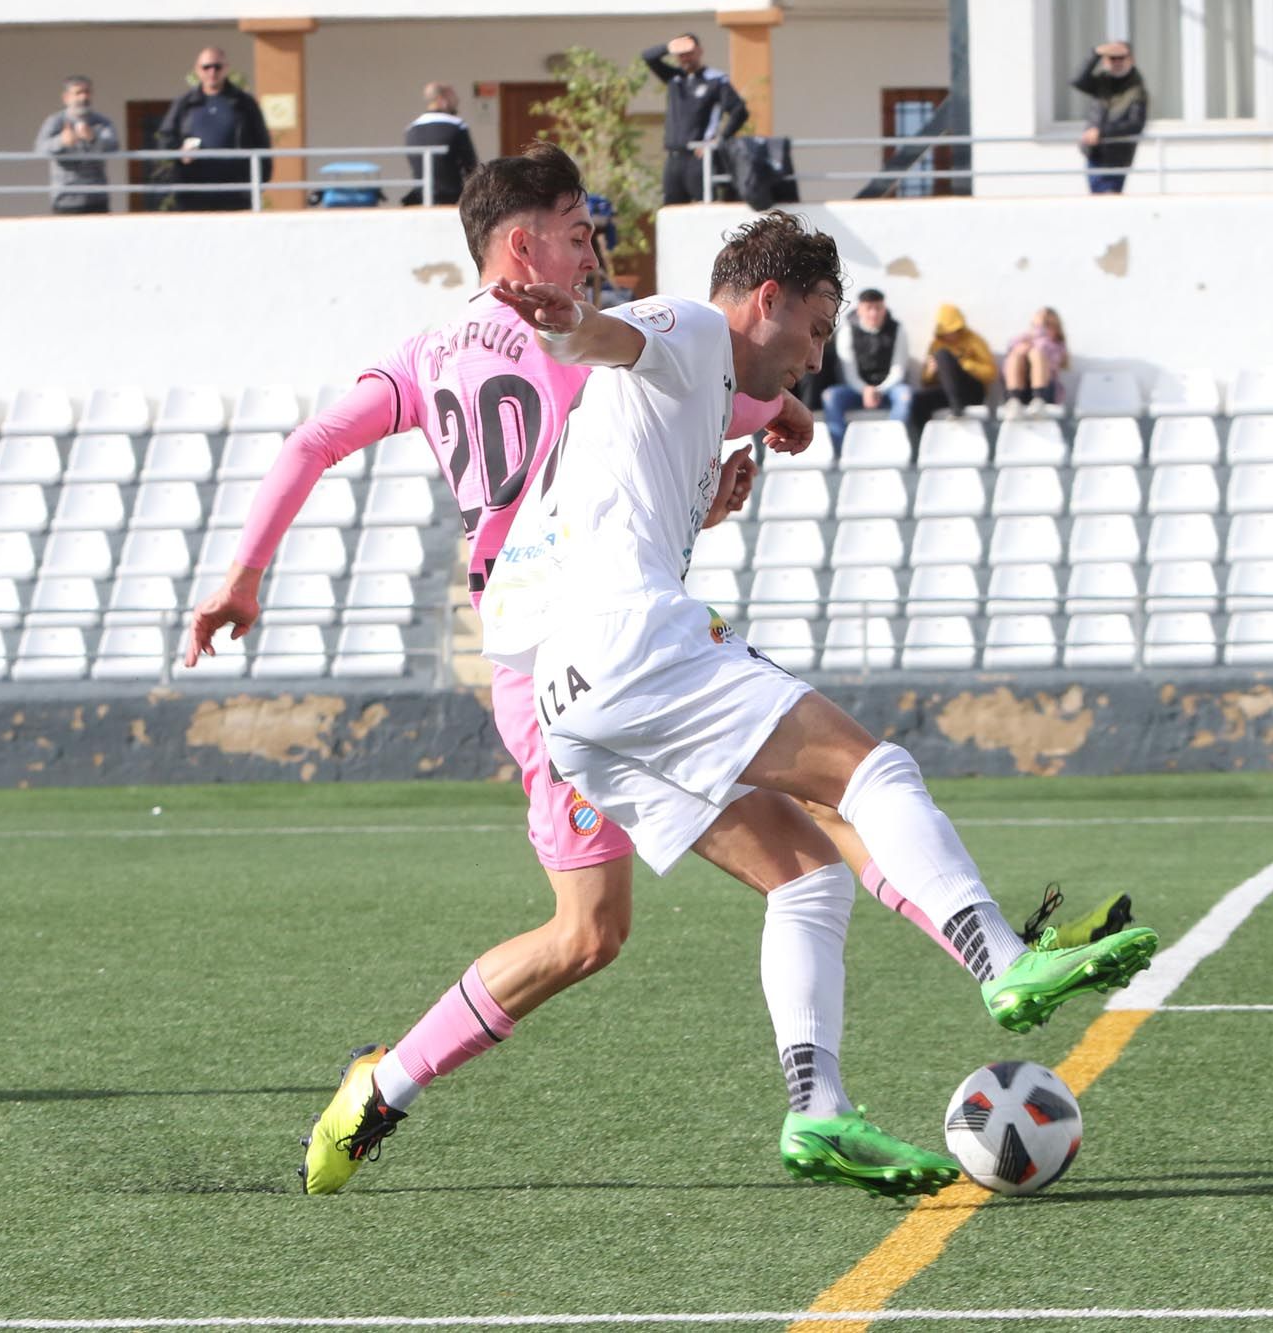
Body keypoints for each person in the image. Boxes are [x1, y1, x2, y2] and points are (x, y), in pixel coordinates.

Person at [182, 146, 962, 1197]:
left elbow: (314, 442)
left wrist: (242, 576)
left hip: (530, 660)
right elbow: (664, 395)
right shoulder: (565, 336)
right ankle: (984, 959)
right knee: (807, 806)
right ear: (520, 245)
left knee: (593, 929)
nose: (594, 245)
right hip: (585, 652)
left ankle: (382, 1087)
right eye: (577, 227)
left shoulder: (420, 355)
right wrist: (767, 411)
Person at [482, 211, 1160, 1195]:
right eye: (813, 327)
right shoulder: (693, 327)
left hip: (572, 702)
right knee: (871, 772)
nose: (816, 351)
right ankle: (1000, 959)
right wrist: (568, 319)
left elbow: (641, 419)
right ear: (768, 299)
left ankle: (817, 1110)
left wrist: (728, 467)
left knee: (806, 878)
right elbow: (607, 335)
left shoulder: (702, 387)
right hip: (632, 643)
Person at [155, 47, 271, 212]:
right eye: (206, 67)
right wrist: (180, 153)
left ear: (226, 68)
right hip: (193, 193)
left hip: (235, 194)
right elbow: (165, 139)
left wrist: (257, 185)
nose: (212, 72)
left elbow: (262, 144)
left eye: (217, 66)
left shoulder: (244, 103)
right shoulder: (185, 104)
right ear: (197, 70)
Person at [642, 33, 747, 206]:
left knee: (705, 206)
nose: (685, 58)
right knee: (672, 210)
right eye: (681, 54)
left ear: (699, 51)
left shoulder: (715, 80)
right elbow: (648, 57)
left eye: (689, 52)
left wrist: (718, 140)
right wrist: (670, 46)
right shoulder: (675, 78)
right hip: (674, 157)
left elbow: (739, 111)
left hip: (699, 157)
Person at [821, 287, 912, 448]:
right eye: (869, 308)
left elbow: (898, 369)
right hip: (856, 390)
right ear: (860, 310)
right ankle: (840, 450)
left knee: (905, 395)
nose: (873, 313)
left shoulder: (898, 330)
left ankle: (892, 446)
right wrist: (865, 390)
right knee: (831, 396)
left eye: (878, 308)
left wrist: (878, 390)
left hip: (888, 390)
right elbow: (849, 372)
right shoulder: (847, 331)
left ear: (884, 309)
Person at [36, 76, 121, 215]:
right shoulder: (55, 121)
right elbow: (40, 149)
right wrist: (61, 141)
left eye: (87, 92)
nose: (83, 97)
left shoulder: (102, 122)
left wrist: (94, 138)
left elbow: (114, 145)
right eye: (78, 93)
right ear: (66, 98)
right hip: (65, 199)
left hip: (97, 199)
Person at [1073, 40, 1148, 195]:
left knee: (1108, 197)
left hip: (1117, 156)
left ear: (1131, 59)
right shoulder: (1101, 82)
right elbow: (1077, 81)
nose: (1117, 62)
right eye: (1112, 58)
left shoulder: (1137, 90)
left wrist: (1100, 133)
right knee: (1098, 198)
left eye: (1121, 57)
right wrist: (1095, 53)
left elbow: (1135, 125)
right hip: (1094, 153)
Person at [910, 304, 995, 427]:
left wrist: (963, 364)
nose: (950, 334)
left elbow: (990, 373)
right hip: (948, 392)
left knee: (943, 355)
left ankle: (957, 410)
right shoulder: (936, 344)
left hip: (971, 391)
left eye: (954, 330)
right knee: (918, 400)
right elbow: (925, 381)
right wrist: (931, 372)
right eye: (946, 331)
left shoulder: (974, 340)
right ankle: (925, 440)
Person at [400, 82, 479, 207]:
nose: (457, 102)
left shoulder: (411, 128)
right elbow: (471, 166)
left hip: (421, 198)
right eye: (454, 99)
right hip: (452, 198)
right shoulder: (457, 125)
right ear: (442, 100)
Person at [1002, 307, 1070, 417]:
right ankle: (1014, 399)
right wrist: (1023, 348)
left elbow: (1050, 360)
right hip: (1022, 390)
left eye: (1047, 325)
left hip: (1046, 392)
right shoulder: (1021, 341)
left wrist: (1034, 344)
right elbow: (1007, 367)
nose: (1042, 330)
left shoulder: (1056, 346)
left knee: (1036, 354)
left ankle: (1039, 399)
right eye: (1038, 326)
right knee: (1015, 356)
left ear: (1057, 329)